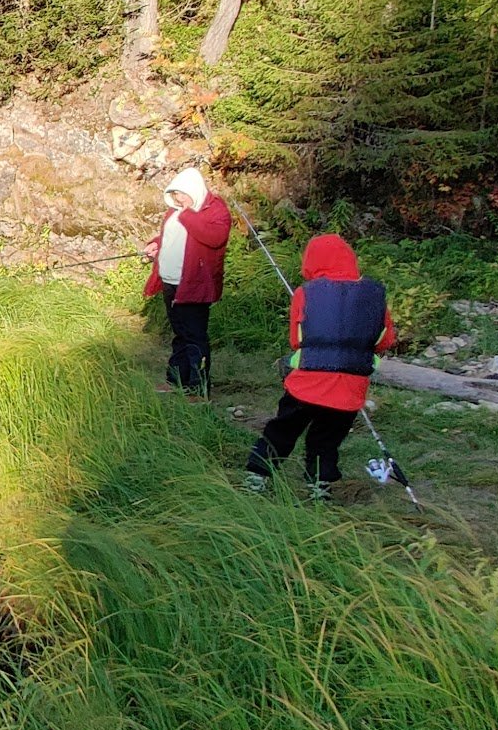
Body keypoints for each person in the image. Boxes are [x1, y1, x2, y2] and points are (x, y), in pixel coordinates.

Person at [247, 233, 396, 499]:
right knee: (326, 440)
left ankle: (256, 477)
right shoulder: (375, 293)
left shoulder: (306, 293)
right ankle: (320, 486)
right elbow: (385, 339)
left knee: (282, 430)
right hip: (350, 385)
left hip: (308, 382)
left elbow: (296, 341)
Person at [141, 166, 231, 393]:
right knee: (180, 333)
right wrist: (156, 244)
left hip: (194, 283)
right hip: (170, 281)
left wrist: (188, 214)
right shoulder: (174, 211)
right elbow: (171, 237)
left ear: (193, 190)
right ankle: (176, 379)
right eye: (174, 195)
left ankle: (198, 387)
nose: (178, 199)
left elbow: (214, 238)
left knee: (195, 336)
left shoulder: (215, 210)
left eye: (181, 194)